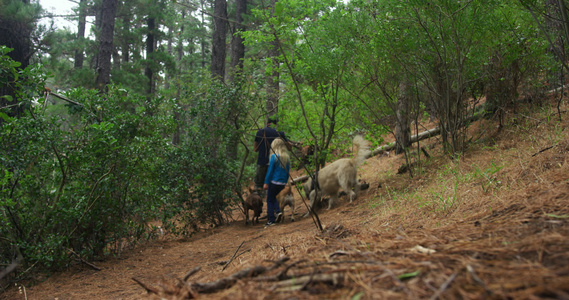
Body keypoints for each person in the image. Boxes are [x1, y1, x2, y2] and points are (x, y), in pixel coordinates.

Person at [253, 118, 289, 195]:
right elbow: (289, 147)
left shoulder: (260, 132)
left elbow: (255, 149)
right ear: (276, 124)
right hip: (276, 162)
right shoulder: (280, 133)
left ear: (267, 122)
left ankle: (259, 201)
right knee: (272, 184)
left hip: (262, 162)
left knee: (259, 185)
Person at [263, 138, 291, 227]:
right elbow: (288, 171)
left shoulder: (273, 157)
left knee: (269, 199)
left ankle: (271, 219)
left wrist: (266, 182)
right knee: (274, 197)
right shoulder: (286, 157)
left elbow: (270, 171)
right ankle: (278, 212)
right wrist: (285, 181)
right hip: (282, 182)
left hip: (274, 181)